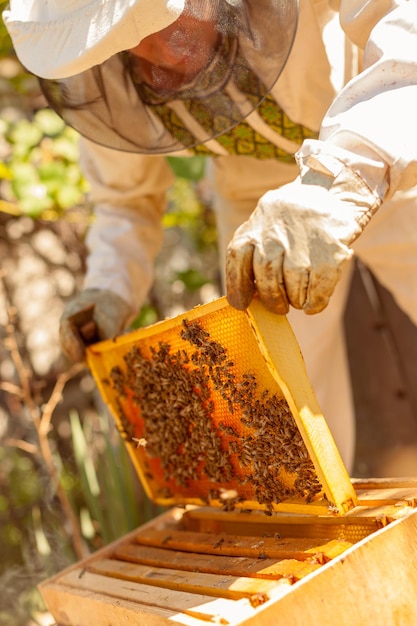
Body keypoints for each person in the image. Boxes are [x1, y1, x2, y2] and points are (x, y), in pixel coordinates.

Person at [4, 0, 417, 471]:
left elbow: (405, 24)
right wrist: (110, 284)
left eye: (159, 20)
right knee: (282, 400)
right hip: (256, 199)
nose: (157, 50)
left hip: (385, 154)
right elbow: (126, 200)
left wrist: (345, 175)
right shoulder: (116, 71)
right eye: (126, 37)